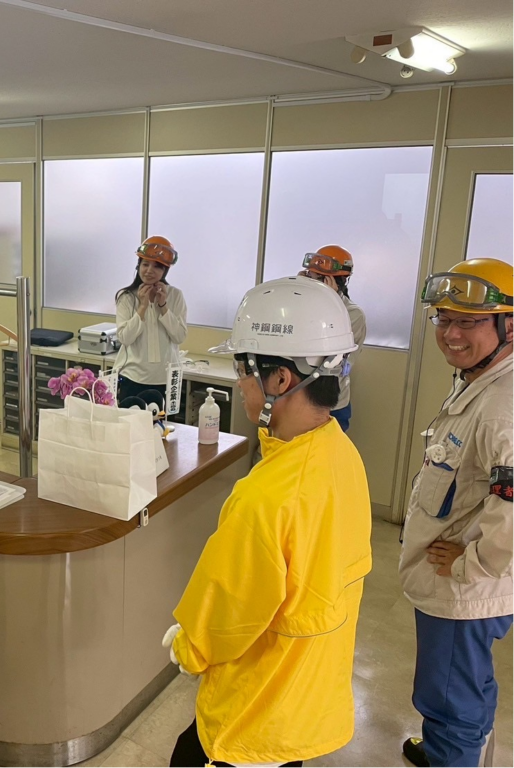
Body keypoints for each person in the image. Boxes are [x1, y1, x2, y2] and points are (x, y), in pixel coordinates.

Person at [163, 276, 372, 768]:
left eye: (243, 369)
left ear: (280, 380)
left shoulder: (265, 497)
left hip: (254, 714)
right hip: (303, 703)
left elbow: (227, 611)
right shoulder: (342, 454)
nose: (239, 383)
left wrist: (189, 648)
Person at [399, 259, 514, 768]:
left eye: (468, 321)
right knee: (467, 683)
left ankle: (451, 755)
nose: (450, 333)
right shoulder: (481, 378)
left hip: (465, 590)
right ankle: (454, 751)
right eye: (443, 319)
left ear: (509, 325)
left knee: (449, 698)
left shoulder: (503, 406)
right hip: (465, 583)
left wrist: (472, 564)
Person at [297, 244, 367, 432]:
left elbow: (335, 363)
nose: (312, 283)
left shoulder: (353, 314)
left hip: (331, 404)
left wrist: (328, 302)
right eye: (310, 276)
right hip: (296, 397)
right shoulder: (300, 305)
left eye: (318, 279)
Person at [114, 236, 188, 404]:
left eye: (157, 266)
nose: (149, 270)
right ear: (138, 266)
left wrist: (163, 306)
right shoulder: (126, 297)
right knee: (130, 420)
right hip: (132, 377)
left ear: (165, 271)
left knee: (164, 422)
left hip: (166, 378)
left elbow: (179, 337)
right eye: (145, 264)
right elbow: (125, 338)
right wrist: (142, 307)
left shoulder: (175, 295)